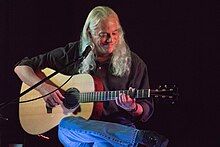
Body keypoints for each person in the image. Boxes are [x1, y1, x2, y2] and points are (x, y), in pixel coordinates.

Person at [14, 6, 168, 147]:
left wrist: (133, 107)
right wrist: (43, 88)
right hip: (78, 132)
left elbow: (146, 108)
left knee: (104, 143)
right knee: (66, 125)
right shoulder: (72, 53)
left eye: (115, 33)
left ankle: (128, 136)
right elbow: (21, 68)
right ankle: (137, 137)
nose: (111, 39)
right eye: (103, 35)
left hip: (117, 130)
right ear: (89, 33)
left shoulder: (134, 63)